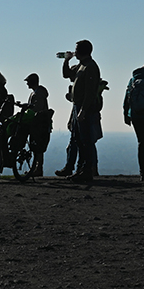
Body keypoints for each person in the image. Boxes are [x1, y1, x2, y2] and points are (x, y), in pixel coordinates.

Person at [61, 40, 102, 183]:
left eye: (77, 49)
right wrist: (66, 61)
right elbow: (67, 74)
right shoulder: (81, 65)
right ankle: (80, 170)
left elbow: (90, 92)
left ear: (83, 50)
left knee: (85, 140)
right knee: (78, 139)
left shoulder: (90, 67)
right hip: (77, 106)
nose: (75, 51)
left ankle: (86, 170)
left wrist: (83, 110)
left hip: (84, 108)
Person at [24, 73, 51, 177]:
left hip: (39, 123)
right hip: (40, 123)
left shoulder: (38, 94)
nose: (27, 84)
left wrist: (28, 108)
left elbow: (36, 109)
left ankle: (38, 169)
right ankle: (36, 168)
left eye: (28, 82)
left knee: (38, 147)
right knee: (37, 147)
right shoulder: (37, 93)